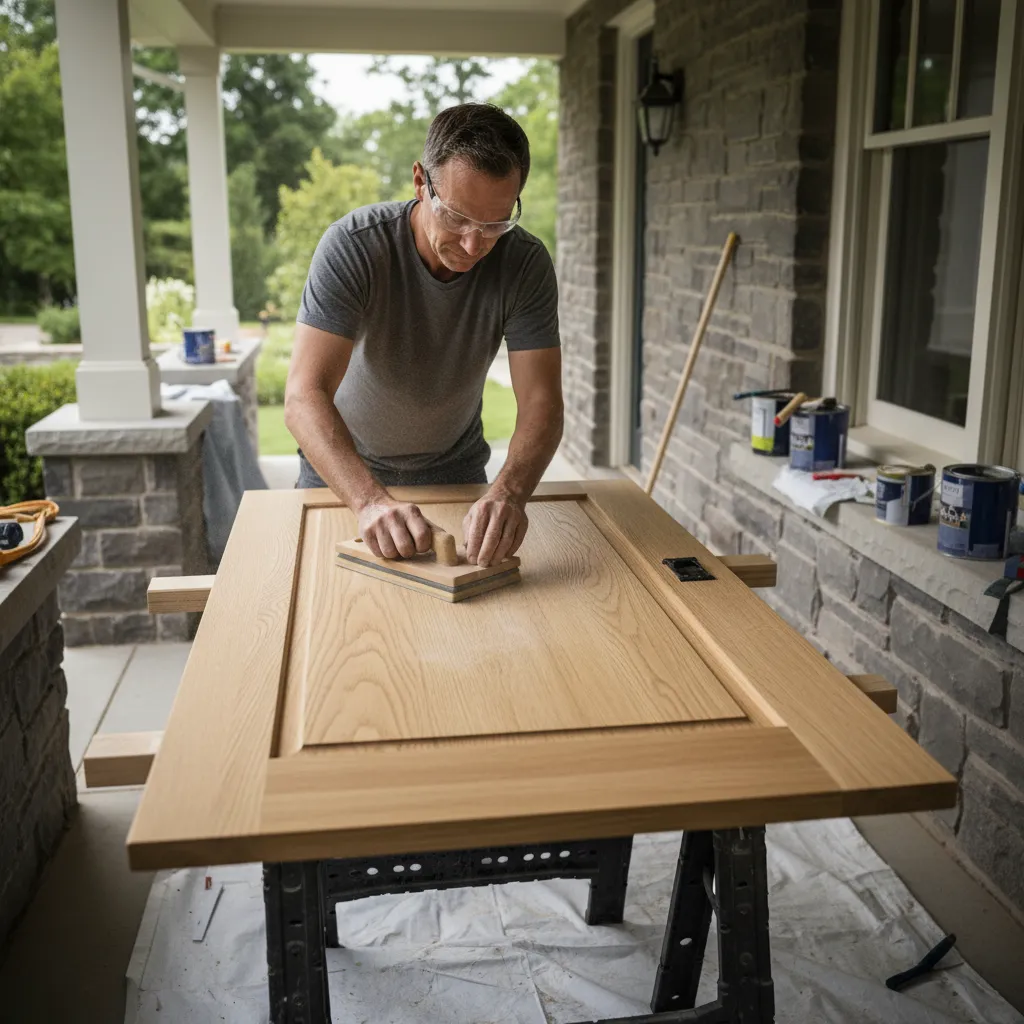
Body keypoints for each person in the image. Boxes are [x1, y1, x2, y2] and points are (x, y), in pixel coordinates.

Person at [284, 102, 563, 568]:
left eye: (495, 223)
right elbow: (302, 396)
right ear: (420, 182)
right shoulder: (354, 246)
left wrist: (510, 492)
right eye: (456, 217)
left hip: (456, 470)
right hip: (343, 471)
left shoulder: (525, 263)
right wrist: (369, 500)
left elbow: (542, 404)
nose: (474, 245)